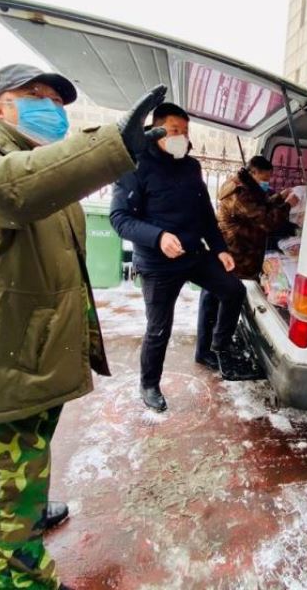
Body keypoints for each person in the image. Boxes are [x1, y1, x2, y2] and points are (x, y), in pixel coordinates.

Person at [0, 62, 166, 590]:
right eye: (34, 95)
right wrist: (105, 147)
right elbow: (1, 192)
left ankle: (25, 511)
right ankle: (20, 576)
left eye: (58, 101)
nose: (51, 108)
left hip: (31, 352)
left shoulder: (36, 162)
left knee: (24, 461)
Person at [109, 102, 247, 410]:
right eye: (174, 131)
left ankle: (215, 347)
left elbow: (204, 213)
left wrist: (220, 249)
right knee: (159, 329)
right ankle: (149, 385)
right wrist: (158, 237)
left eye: (185, 131)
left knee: (233, 290)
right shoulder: (135, 165)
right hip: (158, 264)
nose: (181, 136)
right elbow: (119, 218)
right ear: (156, 129)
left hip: (194, 254)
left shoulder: (190, 166)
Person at [195, 156, 296, 371]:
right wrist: (288, 205)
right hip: (231, 253)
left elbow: (262, 204)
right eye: (265, 178)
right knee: (222, 297)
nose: (267, 182)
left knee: (218, 298)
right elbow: (266, 220)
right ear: (252, 173)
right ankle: (212, 349)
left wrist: (279, 197)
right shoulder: (239, 192)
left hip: (233, 251)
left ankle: (213, 347)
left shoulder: (246, 186)